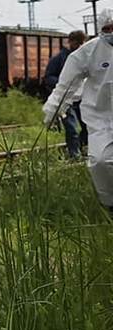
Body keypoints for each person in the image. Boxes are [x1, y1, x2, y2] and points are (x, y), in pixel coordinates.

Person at [44, 17, 113, 211]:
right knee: (100, 161)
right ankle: (109, 203)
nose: (111, 32)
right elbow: (66, 84)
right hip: (100, 118)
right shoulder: (89, 52)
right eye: (107, 28)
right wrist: (54, 110)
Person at [44, 31, 88, 160]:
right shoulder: (59, 59)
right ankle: (75, 155)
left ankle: (80, 147)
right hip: (66, 99)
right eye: (77, 42)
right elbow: (48, 77)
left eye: (82, 43)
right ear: (70, 42)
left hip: (82, 99)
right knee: (71, 128)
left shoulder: (87, 58)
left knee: (87, 127)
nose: (79, 46)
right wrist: (64, 84)